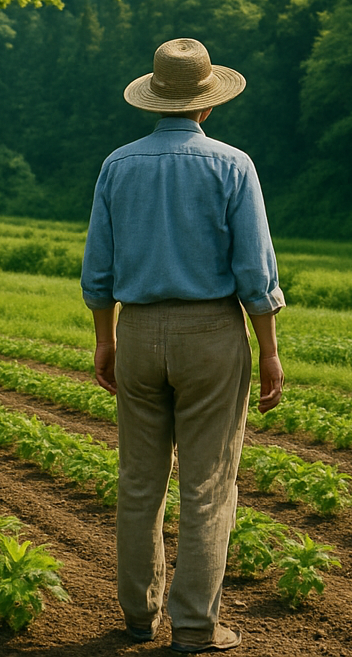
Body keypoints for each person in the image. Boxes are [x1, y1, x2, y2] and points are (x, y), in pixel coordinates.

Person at [81, 37, 285, 654]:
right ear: (208, 103)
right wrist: (269, 349)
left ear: (154, 100)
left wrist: (105, 339)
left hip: (138, 333)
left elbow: (98, 272)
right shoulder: (233, 165)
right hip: (212, 335)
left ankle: (138, 617)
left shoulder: (117, 166)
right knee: (208, 485)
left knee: (139, 483)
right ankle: (195, 626)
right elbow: (255, 273)